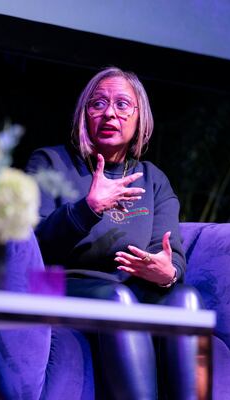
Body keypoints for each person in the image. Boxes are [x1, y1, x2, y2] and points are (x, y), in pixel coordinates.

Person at [25, 66, 204, 399]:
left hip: (127, 287)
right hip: (61, 284)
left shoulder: (153, 178)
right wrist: (88, 207)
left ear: (140, 118)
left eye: (123, 104)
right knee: (119, 301)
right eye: (98, 104)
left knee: (186, 298)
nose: (110, 113)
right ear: (84, 114)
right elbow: (33, 245)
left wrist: (166, 272)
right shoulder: (50, 162)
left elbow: (171, 255)